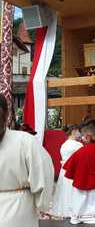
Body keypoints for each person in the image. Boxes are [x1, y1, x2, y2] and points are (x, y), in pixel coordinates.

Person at [0, 94, 54, 227]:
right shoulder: (25, 141)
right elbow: (43, 173)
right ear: (7, 114)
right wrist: (41, 203)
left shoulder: (25, 141)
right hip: (18, 212)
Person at [51, 125, 83, 218]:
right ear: (74, 131)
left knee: (65, 192)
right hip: (75, 172)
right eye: (79, 132)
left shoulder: (64, 145)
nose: (80, 134)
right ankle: (75, 210)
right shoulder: (78, 145)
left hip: (64, 172)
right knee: (74, 192)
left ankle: (66, 210)